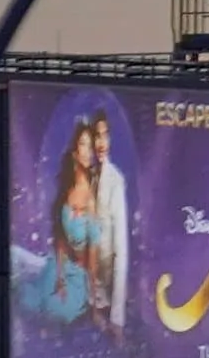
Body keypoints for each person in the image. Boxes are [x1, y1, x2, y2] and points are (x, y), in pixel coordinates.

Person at [13, 120, 101, 327]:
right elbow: (61, 240)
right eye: (83, 145)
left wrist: (95, 305)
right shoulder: (67, 190)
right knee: (17, 266)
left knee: (52, 307)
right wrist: (59, 276)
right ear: (74, 152)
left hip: (78, 281)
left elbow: (93, 257)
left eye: (91, 146)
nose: (88, 151)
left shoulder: (91, 199)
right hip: (57, 267)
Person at [91, 112, 130, 336]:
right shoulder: (83, 176)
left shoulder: (115, 181)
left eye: (105, 136)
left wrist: (116, 318)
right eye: (97, 136)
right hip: (83, 297)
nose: (101, 143)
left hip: (105, 301)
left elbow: (120, 252)